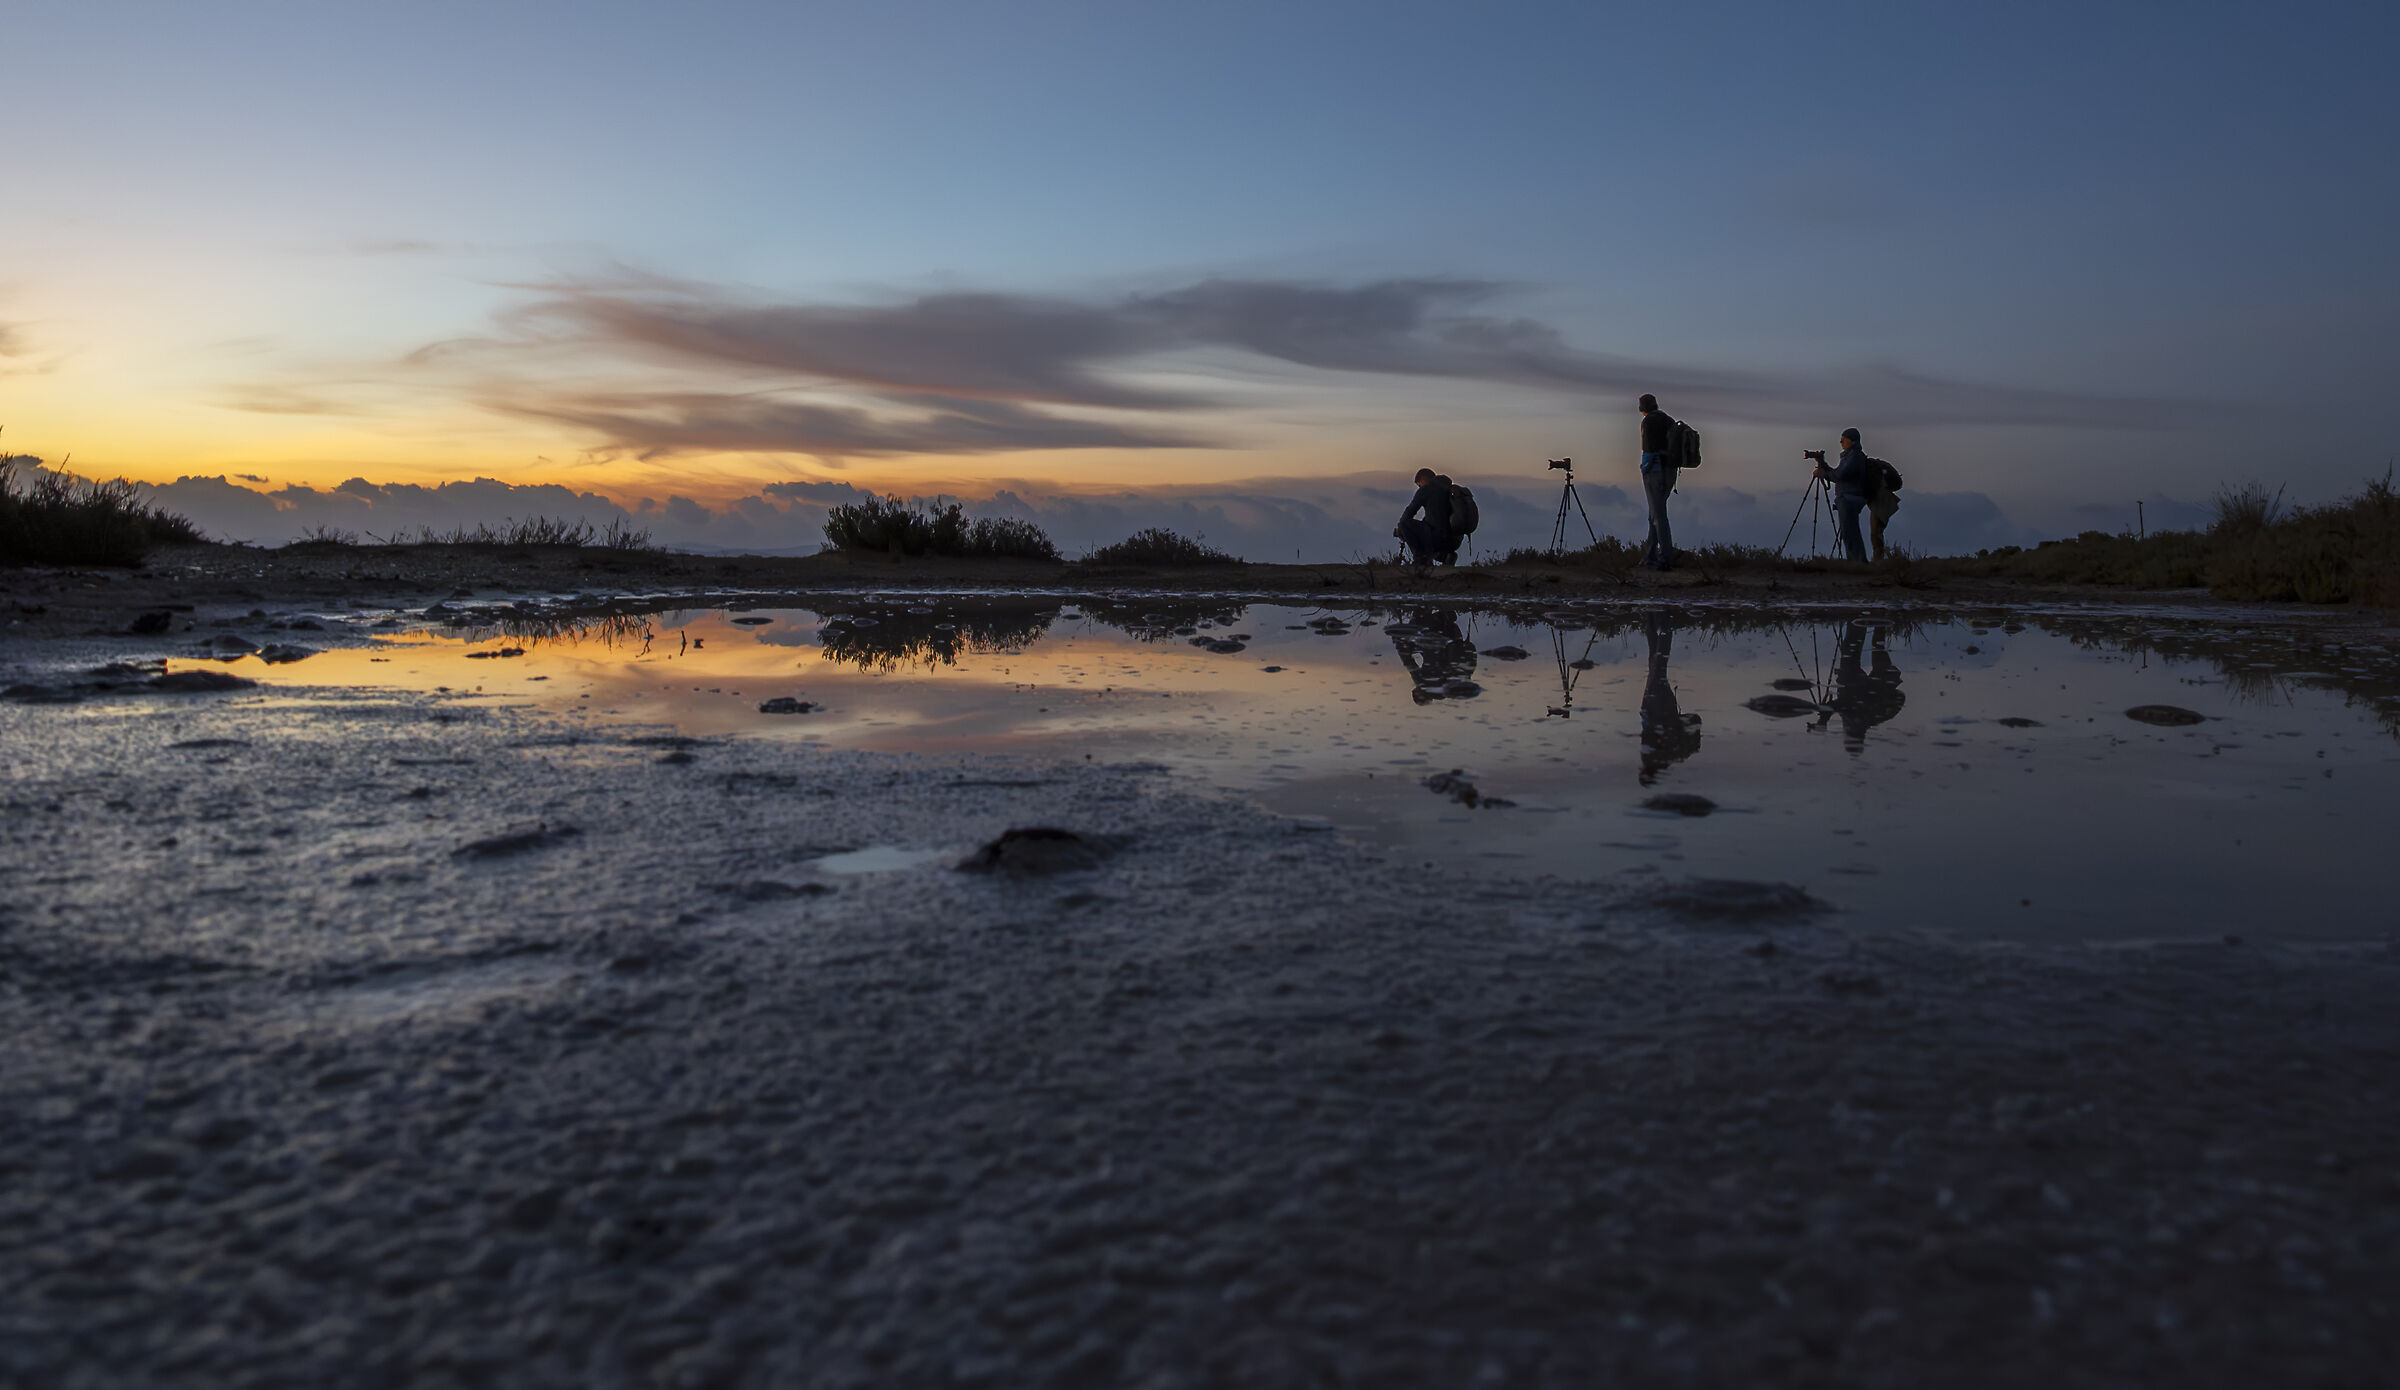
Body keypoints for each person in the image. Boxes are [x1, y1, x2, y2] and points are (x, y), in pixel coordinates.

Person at [1810, 427, 1872, 563]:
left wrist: (1823, 473)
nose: (1841, 442)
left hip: (1849, 498)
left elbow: (1839, 475)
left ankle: (1857, 563)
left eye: (1844, 439)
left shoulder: (1854, 456)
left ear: (1853, 441)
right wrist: (1823, 464)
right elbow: (1838, 473)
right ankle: (1857, 562)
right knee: (1849, 531)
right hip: (1850, 497)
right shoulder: (1851, 456)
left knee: (1849, 532)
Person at [1636, 394, 1679, 570]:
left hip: (1655, 472)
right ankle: (1650, 556)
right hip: (1670, 472)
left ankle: (1665, 558)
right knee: (1655, 514)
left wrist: (1643, 468)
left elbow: (1648, 450)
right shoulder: (1668, 420)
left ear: (1641, 408)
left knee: (1659, 516)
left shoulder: (1648, 422)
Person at [1392, 468, 1455, 567]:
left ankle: (1421, 559)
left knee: (1405, 524)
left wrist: (1400, 528)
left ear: (1423, 479)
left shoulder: (1427, 489)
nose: (1419, 488)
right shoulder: (1448, 488)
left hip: (1436, 537)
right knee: (1425, 527)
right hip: (1453, 540)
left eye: (1419, 484)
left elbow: (1410, 511)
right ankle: (1444, 556)